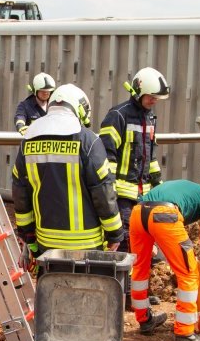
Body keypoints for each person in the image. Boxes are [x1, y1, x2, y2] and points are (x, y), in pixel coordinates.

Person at [11, 83, 124, 256]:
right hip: (87, 243)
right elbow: (103, 190)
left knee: (50, 283)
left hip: (46, 243)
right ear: (80, 109)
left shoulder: (29, 139)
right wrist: (115, 233)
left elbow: (20, 191)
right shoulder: (88, 140)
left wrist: (26, 233)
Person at [128, 180, 200, 341]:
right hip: (164, 214)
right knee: (189, 272)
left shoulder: (184, 189)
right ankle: (185, 334)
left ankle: (145, 320)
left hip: (138, 212)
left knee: (140, 268)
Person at [99, 67, 170, 252]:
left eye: (156, 97)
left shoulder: (150, 118)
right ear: (138, 91)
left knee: (142, 237)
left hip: (142, 193)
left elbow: (151, 157)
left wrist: (159, 185)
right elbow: (107, 155)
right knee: (124, 238)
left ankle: (136, 276)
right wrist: (109, 188)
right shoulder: (118, 115)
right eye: (150, 96)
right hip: (122, 194)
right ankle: (123, 278)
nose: (154, 100)